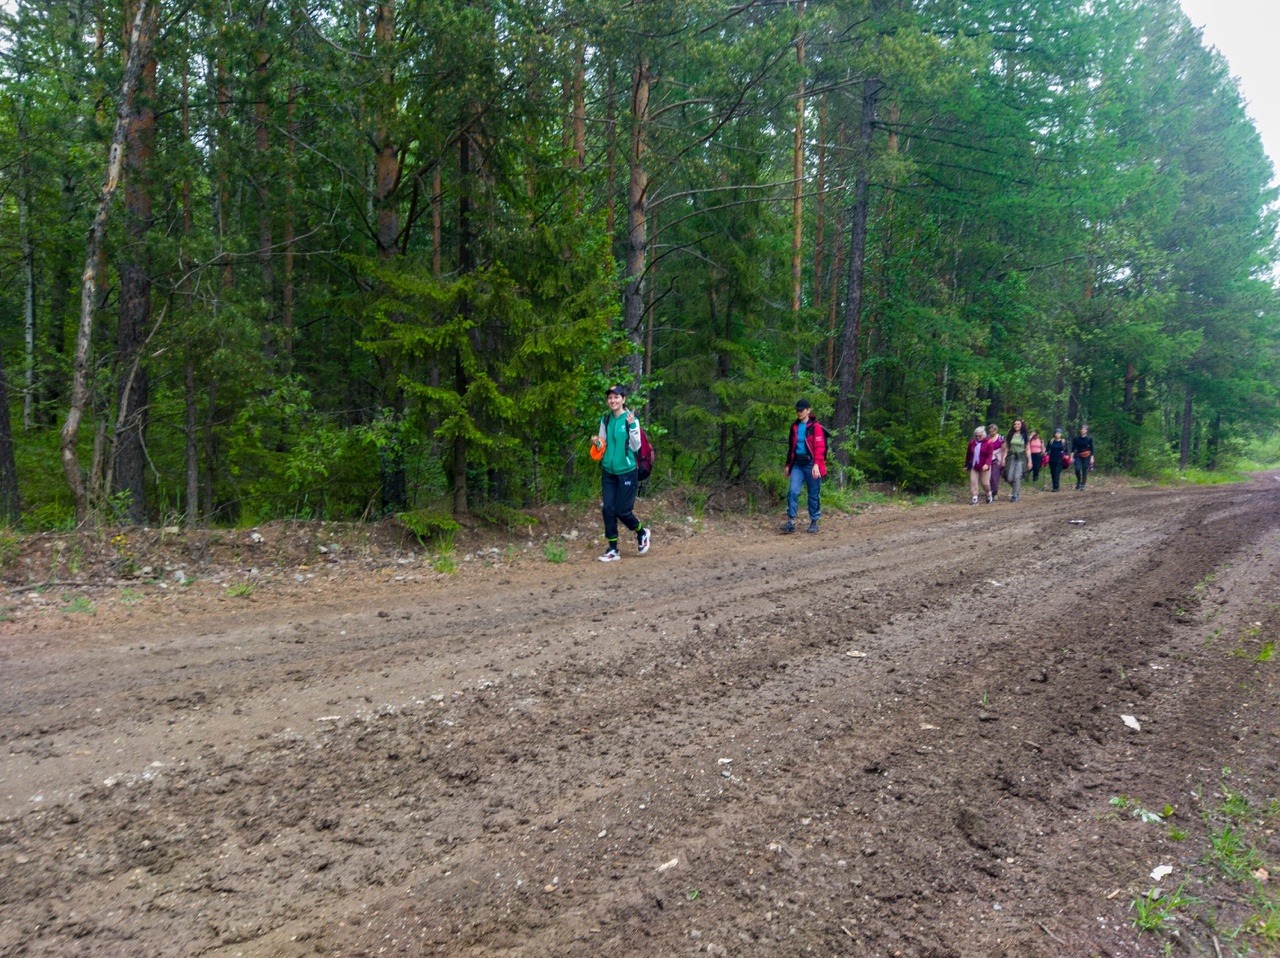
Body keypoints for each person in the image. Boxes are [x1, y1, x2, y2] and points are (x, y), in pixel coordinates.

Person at [594, 385, 650, 561]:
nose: (613, 400)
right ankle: (613, 549)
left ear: (623, 399)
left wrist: (632, 425)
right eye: (610, 398)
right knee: (608, 509)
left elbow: (636, 446)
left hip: (627, 471)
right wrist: (597, 443)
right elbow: (603, 445)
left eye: (616, 397)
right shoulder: (606, 420)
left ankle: (642, 532)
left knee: (622, 510)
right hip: (609, 472)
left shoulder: (631, 419)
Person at [781, 399, 826, 533]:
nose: (799, 412)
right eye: (797, 410)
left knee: (813, 494)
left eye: (801, 410)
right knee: (793, 491)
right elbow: (791, 447)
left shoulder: (815, 427)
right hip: (797, 465)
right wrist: (788, 464)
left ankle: (814, 521)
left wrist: (817, 464)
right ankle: (791, 521)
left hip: (812, 464)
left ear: (808, 410)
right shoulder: (794, 426)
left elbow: (820, 447)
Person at [1004, 419, 1031, 502]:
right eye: (1015, 424)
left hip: (1021, 457)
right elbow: (1007, 448)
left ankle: (1015, 494)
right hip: (1011, 456)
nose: (1016, 425)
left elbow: (1027, 449)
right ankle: (1016, 488)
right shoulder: (1010, 434)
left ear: (1021, 425)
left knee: (1017, 477)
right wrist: (1003, 458)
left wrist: (1029, 461)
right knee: (1009, 477)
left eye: (1018, 424)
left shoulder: (1025, 436)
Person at [965, 426, 993, 504]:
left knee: (985, 483)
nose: (978, 437)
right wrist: (966, 465)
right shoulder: (972, 443)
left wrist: (987, 464)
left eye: (980, 436)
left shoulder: (988, 443)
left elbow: (990, 455)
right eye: (976, 436)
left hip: (985, 466)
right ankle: (975, 497)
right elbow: (968, 454)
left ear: (984, 435)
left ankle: (988, 493)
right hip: (975, 465)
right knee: (973, 481)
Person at [984, 424, 1004, 501]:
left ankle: (994, 492)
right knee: (987, 477)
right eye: (991, 431)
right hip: (988, 458)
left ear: (996, 430)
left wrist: (1003, 459)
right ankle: (988, 492)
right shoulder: (986, 438)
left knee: (994, 476)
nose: (992, 433)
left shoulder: (1001, 438)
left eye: (994, 431)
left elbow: (1004, 449)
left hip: (997, 458)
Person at [1072, 424, 1095, 490]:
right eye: (1082, 429)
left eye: (1084, 429)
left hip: (1087, 455)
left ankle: (1083, 484)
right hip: (1078, 455)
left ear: (1086, 431)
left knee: (1084, 470)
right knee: (1077, 469)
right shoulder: (1076, 439)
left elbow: (1092, 448)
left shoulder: (1089, 439)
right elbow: (1073, 449)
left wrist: (1092, 457)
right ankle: (1079, 481)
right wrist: (1071, 457)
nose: (1082, 430)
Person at [1047, 427, 1067, 491]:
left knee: (1056, 472)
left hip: (1060, 459)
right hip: (1052, 458)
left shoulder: (1063, 441)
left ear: (1061, 434)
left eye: (1059, 433)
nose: (1057, 434)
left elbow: (1066, 450)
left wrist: (1066, 455)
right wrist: (1046, 454)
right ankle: (1054, 485)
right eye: (1056, 433)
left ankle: (1056, 487)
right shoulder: (1051, 441)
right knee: (1052, 472)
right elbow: (1047, 449)